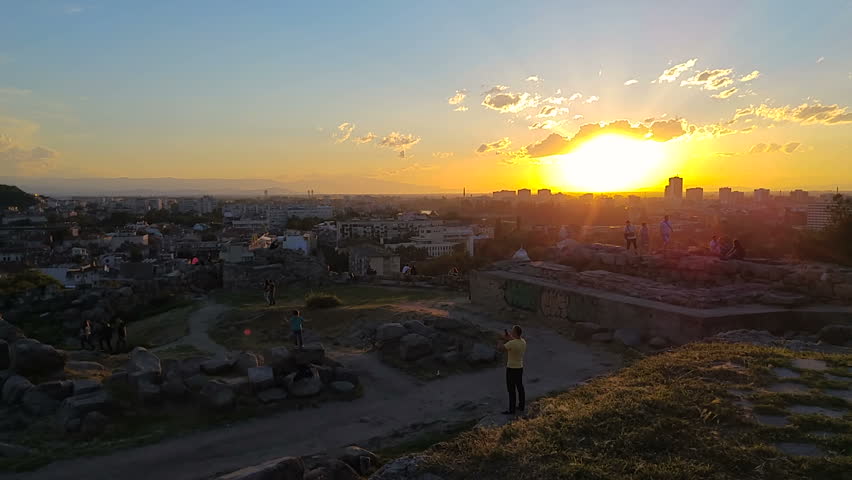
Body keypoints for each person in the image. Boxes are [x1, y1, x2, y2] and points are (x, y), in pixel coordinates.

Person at [497, 325, 527, 415]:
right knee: (520, 387)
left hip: (511, 369)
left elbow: (500, 348)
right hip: (519, 368)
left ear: (515, 333)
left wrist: (501, 340)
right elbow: (514, 342)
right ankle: (521, 406)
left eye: (512, 331)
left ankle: (512, 410)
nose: (511, 332)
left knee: (511, 390)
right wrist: (509, 338)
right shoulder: (523, 342)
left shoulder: (512, 343)